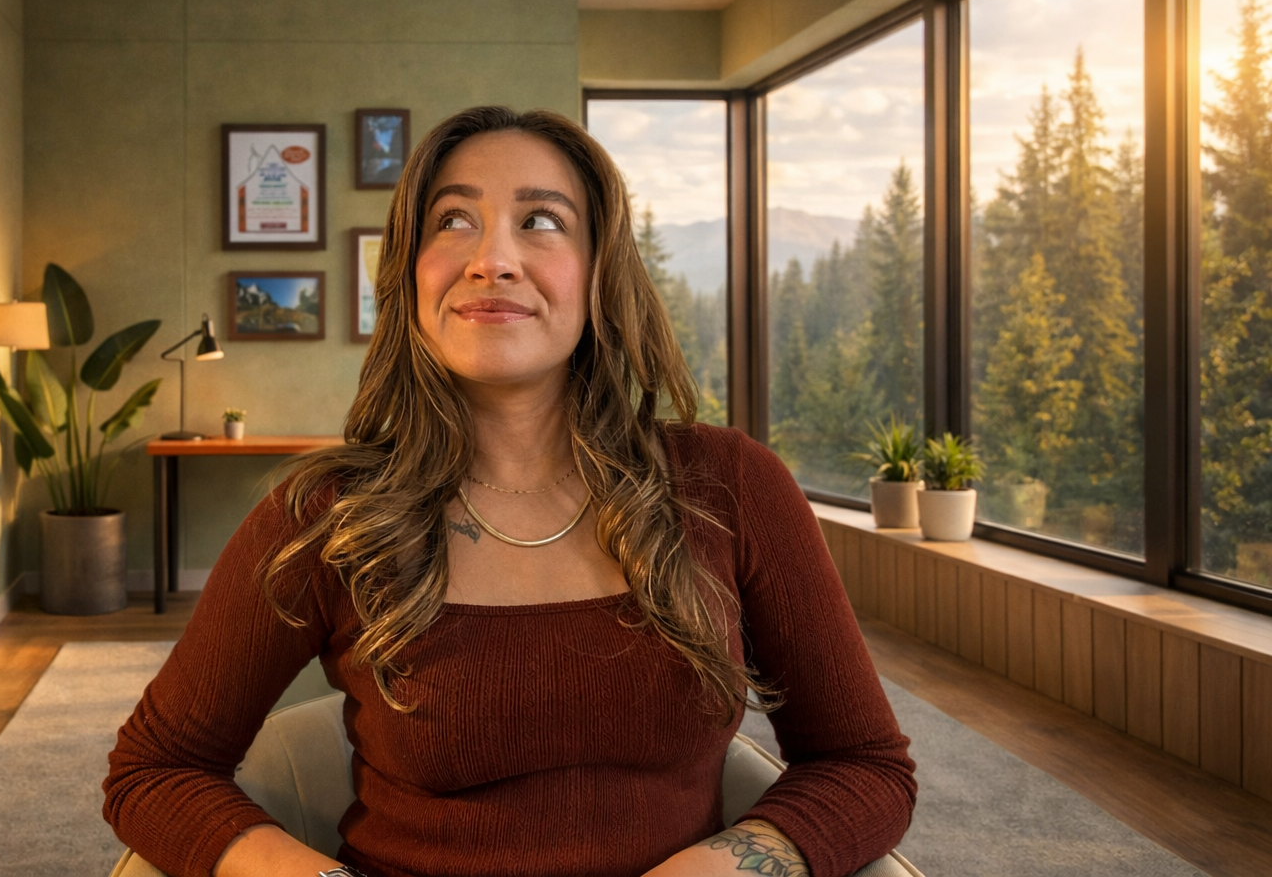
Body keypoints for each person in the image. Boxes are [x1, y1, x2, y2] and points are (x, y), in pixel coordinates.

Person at [103, 106, 916, 877]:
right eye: (453, 221)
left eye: (542, 221)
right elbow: (155, 769)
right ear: (409, 275)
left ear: (601, 273)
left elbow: (866, 766)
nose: (492, 258)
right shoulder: (326, 516)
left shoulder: (729, 484)